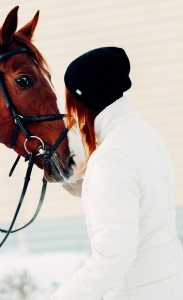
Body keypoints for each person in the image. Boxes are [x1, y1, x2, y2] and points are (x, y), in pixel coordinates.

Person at [51, 47, 183, 300]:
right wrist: (81, 185)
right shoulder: (143, 133)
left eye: (69, 100)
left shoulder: (110, 158)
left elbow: (112, 257)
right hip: (168, 285)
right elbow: (136, 198)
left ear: (83, 99)